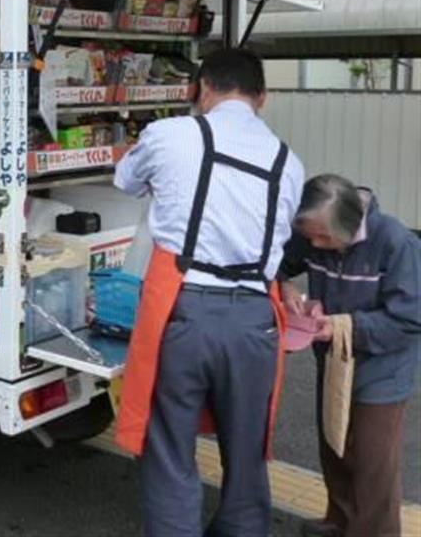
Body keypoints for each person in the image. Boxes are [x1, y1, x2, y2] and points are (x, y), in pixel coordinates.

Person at [113, 48, 305, 537]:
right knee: (246, 455)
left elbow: (126, 180)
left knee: (172, 450)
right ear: (262, 98)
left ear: (199, 88)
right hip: (258, 320)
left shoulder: (171, 134)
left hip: (187, 313)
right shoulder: (289, 162)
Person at [279, 175, 421, 537]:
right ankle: (339, 523)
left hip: (382, 368)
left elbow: (409, 319)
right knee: (334, 448)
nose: (314, 244)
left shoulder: (395, 242)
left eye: (323, 237)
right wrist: (286, 286)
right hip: (333, 360)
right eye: (309, 235)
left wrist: (346, 326)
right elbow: (279, 261)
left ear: (351, 224)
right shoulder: (315, 231)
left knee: (373, 464)